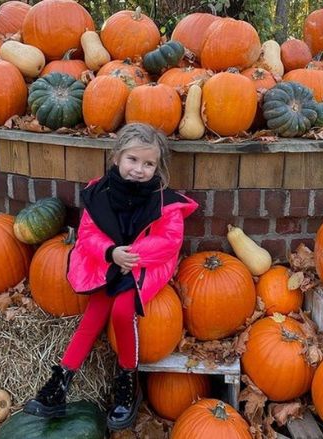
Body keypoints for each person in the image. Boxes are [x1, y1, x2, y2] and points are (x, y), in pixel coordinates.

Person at [24, 123, 199, 430]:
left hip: (143, 265)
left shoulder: (163, 201)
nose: (139, 169)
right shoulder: (99, 193)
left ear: (158, 168)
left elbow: (169, 240)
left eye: (148, 164)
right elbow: (88, 234)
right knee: (93, 315)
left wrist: (133, 255)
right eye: (133, 159)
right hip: (110, 262)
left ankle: (127, 383)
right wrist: (111, 253)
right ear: (117, 157)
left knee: (121, 310)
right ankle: (60, 382)